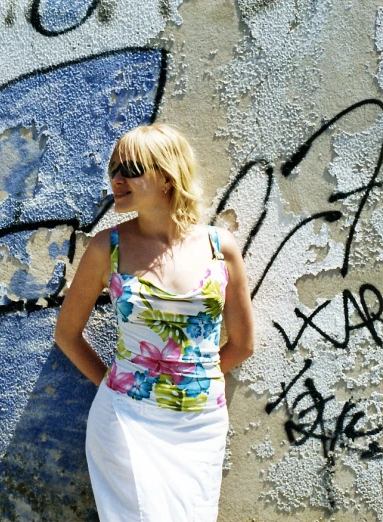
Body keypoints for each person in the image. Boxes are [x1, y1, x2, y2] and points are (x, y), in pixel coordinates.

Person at [54, 123, 254, 522]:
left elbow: (243, 344)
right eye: (113, 168)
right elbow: (67, 334)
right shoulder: (105, 247)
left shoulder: (220, 248)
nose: (117, 178)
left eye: (130, 168)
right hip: (126, 421)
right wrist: (121, 386)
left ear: (166, 177)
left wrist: (191, 378)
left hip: (200, 427)